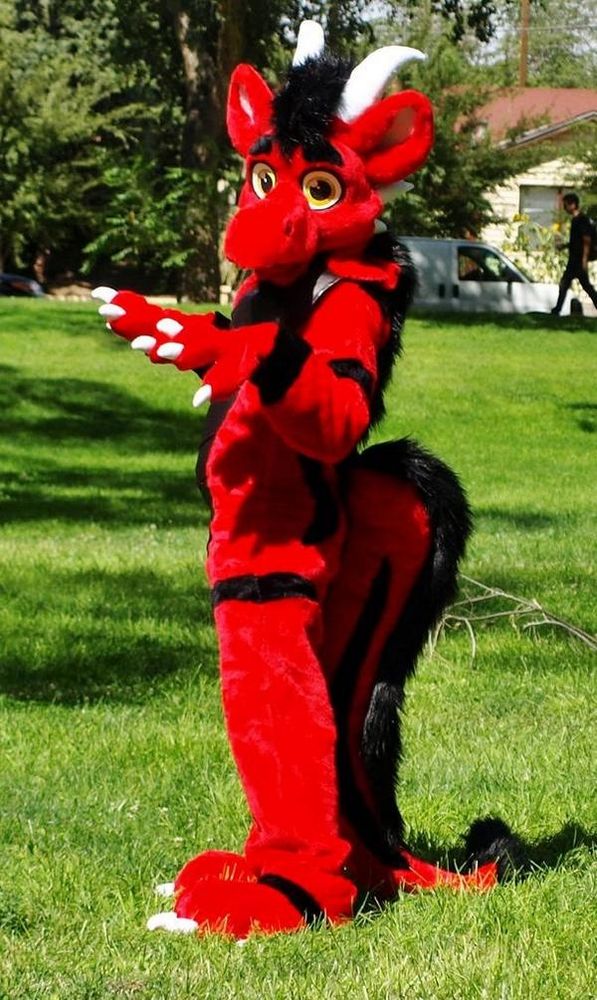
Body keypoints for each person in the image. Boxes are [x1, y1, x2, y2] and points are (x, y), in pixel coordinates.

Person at [551, 192, 597, 315]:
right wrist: (564, 246)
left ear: (573, 204)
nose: (565, 208)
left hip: (578, 260)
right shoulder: (576, 220)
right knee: (570, 284)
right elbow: (576, 241)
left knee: (569, 284)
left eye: (566, 205)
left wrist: (584, 260)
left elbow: (586, 240)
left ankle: (557, 309)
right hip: (574, 259)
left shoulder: (582, 220)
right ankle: (557, 309)